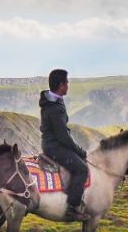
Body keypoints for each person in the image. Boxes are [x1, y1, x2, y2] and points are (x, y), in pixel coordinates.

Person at [39, 69, 91, 221]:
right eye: (67, 82)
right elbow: (63, 137)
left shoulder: (53, 100)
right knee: (82, 169)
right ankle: (71, 207)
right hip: (54, 147)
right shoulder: (54, 108)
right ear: (61, 85)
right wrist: (80, 151)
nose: (68, 85)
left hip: (51, 144)